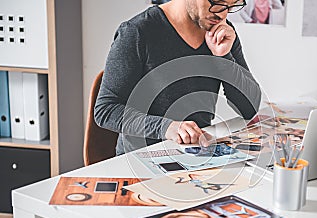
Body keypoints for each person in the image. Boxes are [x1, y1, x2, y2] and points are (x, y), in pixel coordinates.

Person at [95, 0, 262, 155]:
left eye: (231, 5)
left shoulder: (222, 32)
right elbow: (106, 110)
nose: (222, 14)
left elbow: (249, 108)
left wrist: (224, 57)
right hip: (142, 158)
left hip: (197, 156)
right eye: (216, 2)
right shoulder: (137, 32)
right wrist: (166, 127)